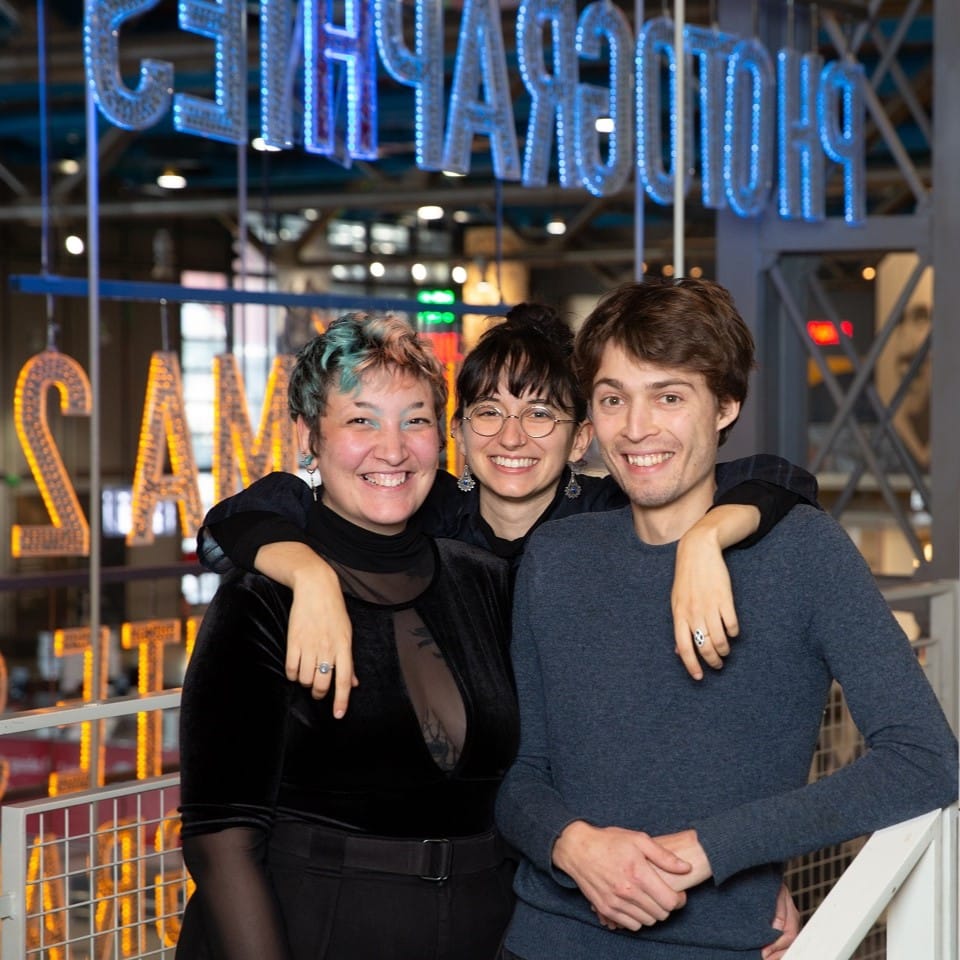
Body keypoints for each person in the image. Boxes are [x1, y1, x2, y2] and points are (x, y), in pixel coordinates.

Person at [493, 278, 959, 960]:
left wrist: (715, 850)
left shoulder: (802, 553)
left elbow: (924, 761)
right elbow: (519, 775)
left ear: (725, 406)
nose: (636, 427)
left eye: (670, 396)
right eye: (614, 397)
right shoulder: (557, 555)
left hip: (717, 947)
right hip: (539, 942)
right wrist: (574, 845)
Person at [196, 303, 819, 713]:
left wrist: (706, 539)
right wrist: (310, 575)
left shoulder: (609, 515)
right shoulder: (427, 508)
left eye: (540, 414)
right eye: (489, 413)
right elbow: (252, 512)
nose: (512, 438)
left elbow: (775, 477)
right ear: (459, 434)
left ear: (581, 439)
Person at [177, 314, 519, 960]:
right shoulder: (264, 598)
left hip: (483, 931)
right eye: (362, 420)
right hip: (319, 930)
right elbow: (219, 841)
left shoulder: (482, 578)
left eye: (414, 420)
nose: (392, 449)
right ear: (308, 437)